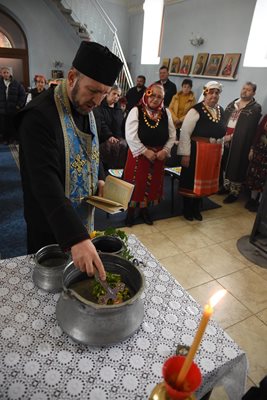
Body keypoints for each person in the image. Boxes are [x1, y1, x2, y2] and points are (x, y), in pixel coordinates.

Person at [18, 41, 123, 279]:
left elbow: (90, 148)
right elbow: (44, 185)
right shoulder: (38, 117)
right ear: (72, 77)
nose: (97, 101)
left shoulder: (88, 106)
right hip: (50, 224)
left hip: (82, 222)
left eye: (104, 93)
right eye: (93, 90)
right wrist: (76, 238)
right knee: (49, 293)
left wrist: (100, 177)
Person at [124, 83, 176, 226]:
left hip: (158, 156)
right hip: (139, 155)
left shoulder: (166, 113)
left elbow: (172, 135)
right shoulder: (136, 111)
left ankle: (144, 211)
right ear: (147, 94)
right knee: (136, 184)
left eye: (159, 97)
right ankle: (130, 213)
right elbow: (130, 135)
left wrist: (165, 150)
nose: (155, 99)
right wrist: (144, 151)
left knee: (151, 186)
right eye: (152, 95)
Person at [177, 81, 226, 221]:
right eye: (211, 92)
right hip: (196, 151)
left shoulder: (221, 110)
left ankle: (197, 208)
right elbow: (185, 132)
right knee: (191, 180)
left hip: (213, 152)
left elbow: (221, 133)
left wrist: (220, 151)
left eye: (217, 93)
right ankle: (187, 209)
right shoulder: (195, 110)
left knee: (204, 179)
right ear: (205, 93)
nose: (214, 95)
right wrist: (185, 153)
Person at [220, 82, 262, 203]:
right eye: (244, 88)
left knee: (237, 165)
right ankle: (226, 186)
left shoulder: (255, 108)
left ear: (253, 93)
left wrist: (232, 137)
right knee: (225, 162)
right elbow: (224, 119)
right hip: (225, 138)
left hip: (240, 142)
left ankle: (234, 192)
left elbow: (248, 129)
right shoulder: (232, 104)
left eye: (249, 90)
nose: (245, 91)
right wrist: (224, 136)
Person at [94, 85, 127, 170]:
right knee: (111, 147)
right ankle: (107, 171)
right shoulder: (99, 106)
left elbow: (120, 124)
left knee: (124, 145)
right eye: (114, 94)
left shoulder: (118, 108)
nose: (116, 97)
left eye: (118, 95)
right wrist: (109, 136)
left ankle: (118, 170)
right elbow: (102, 123)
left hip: (116, 136)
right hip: (103, 136)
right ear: (108, 94)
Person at [245, 114, 267, 212]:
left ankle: (260, 203)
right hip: (260, 151)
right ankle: (253, 199)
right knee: (254, 175)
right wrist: (252, 149)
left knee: (264, 179)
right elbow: (258, 133)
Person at [0, 66, 26, 144]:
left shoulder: (16, 83)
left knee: (13, 125)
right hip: (2, 109)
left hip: (13, 109)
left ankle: (13, 139)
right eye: (4, 72)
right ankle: (5, 139)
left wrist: (19, 105)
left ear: (10, 73)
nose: (6, 74)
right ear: (1, 74)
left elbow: (22, 95)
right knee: (3, 126)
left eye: (7, 72)